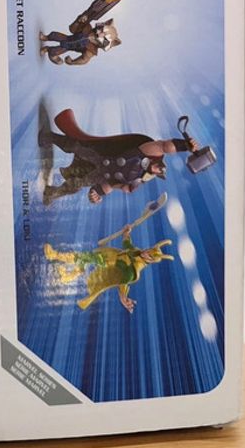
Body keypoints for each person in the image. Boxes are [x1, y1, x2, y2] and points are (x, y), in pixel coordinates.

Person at [39, 108, 199, 205]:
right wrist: (185, 146)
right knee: (76, 146)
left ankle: (52, 193)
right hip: (101, 155)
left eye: (160, 172)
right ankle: (48, 136)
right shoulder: (147, 152)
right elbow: (164, 146)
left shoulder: (137, 179)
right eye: (161, 167)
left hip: (101, 174)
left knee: (77, 184)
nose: (159, 170)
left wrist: (97, 193)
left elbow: (116, 186)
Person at [43, 226, 174, 313]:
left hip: (105, 265)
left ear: (150, 260)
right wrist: (126, 232)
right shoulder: (136, 251)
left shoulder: (134, 270)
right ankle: (67, 277)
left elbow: (123, 282)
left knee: (82, 257)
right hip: (106, 255)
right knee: (83, 259)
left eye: (149, 255)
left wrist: (123, 297)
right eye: (149, 250)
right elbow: (127, 244)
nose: (146, 252)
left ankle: (54, 255)